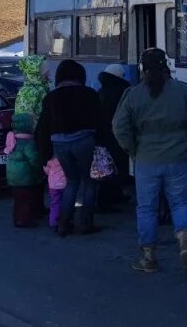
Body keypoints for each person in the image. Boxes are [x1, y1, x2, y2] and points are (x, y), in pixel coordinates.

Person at [113, 48, 187, 275]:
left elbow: (119, 128)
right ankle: (184, 241)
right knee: (180, 202)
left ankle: (148, 257)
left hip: (146, 159)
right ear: (166, 66)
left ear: (143, 69)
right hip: (178, 157)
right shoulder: (184, 91)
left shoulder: (133, 95)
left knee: (146, 208)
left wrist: (133, 150)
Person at [35, 59, 104, 236]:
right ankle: (86, 223)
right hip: (85, 141)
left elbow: (42, 128)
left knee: (71, 181)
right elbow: (101, 121)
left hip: (60, 144)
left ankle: (63, 223)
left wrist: (45, 156)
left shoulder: (51, 97)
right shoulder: (89, 93)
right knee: (89, 181)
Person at [96, 63, 131, 212]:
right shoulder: (123, 92)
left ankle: (113, 195)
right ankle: (107, 200)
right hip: (116, 135)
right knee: (116, 166)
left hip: (103, 135)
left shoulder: (101, 90)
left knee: (107, 167)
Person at [5, 113, 46, 228]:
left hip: (13, 176)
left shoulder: (12, 139)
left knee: (18, 200)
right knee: (28, 199)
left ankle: (17, 219)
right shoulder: (28, 143)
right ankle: (26, 220)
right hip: (26, 177)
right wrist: (41, 168)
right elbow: (34, 159)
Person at [44, 156, 66, 230]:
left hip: (53, 186)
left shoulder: (49, 160)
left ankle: (53, 222)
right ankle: (64, 222)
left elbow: (46, 171)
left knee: (54, 204)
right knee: (65, 203)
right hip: (64, 185)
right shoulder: (65, 158)